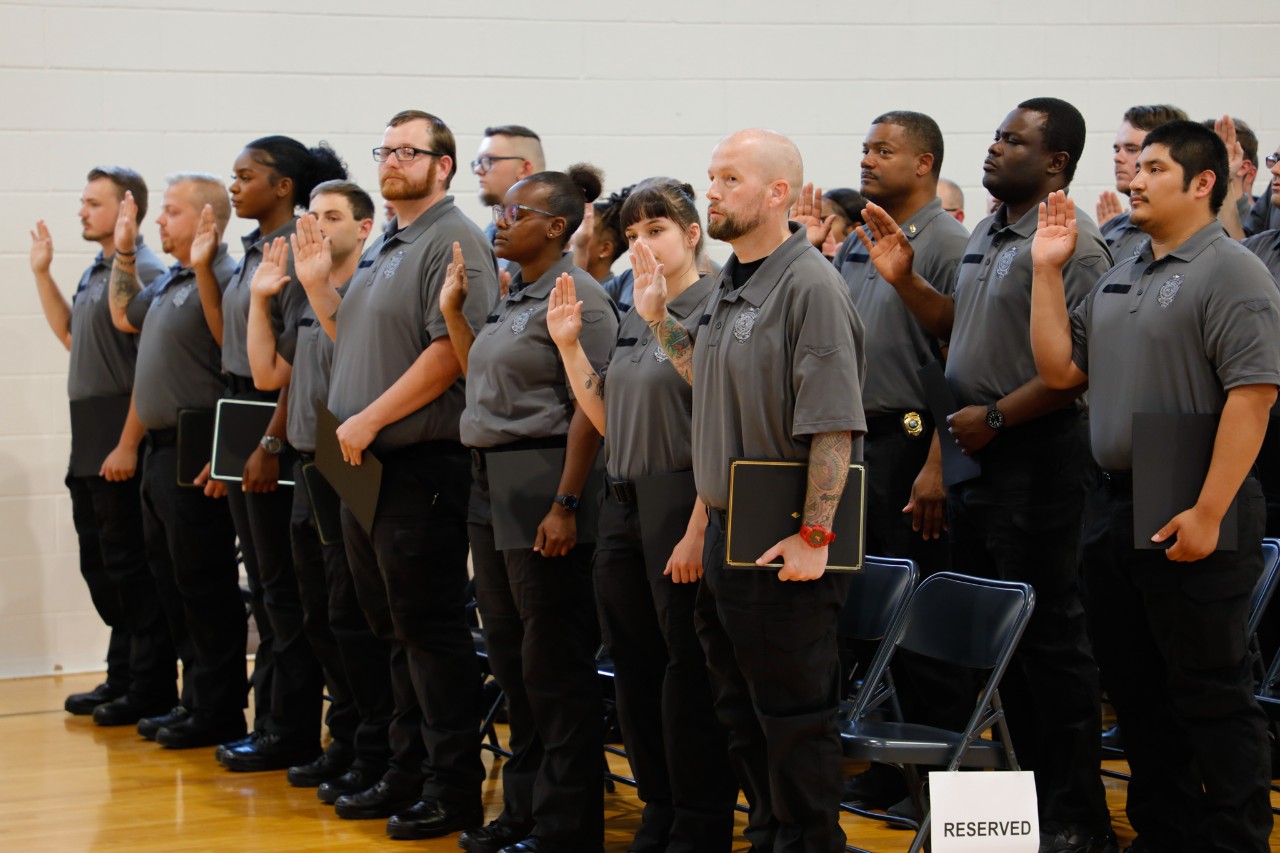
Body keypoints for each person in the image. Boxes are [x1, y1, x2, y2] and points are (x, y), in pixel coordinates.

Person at [855, 98, 1116, 852]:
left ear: (1057, 162)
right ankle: (1000, 827)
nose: (995, 148)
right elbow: (956, 332)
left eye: (1015, 140)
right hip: (978, 455)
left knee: (1046, 648)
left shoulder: (1073, 245)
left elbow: (1073, 371)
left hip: (1037, 458)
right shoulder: (990, 234)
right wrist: (904, 279)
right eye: (997, 136)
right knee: (984, 651)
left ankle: (1075, 820)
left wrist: (997, 416)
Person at [1030, 119, 1279, 853]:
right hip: (1110, 495)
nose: (1134, 179)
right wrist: (1047, 270)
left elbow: (1254, 394)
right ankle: (1166, 832)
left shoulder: (1231, 269)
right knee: (1135, 687)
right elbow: (1058, 372)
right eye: (1135, 167)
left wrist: (1209, 508)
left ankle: (1234, 838)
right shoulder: (1126, 260)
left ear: (1203, 183)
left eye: (1155, 168)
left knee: (1209, 688)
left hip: (1193, 488)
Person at [639, 129, 864, 852]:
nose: (713, 190)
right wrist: (655, 320)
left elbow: (834, 423)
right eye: (712, 177)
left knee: (792, 719)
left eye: (730, 178)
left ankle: (806, 841)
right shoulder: (734, 280)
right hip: (731, 534)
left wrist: (816, 535)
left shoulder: (809, 283)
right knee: (740, 711)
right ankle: (771, 833)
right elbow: (707, 380)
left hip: (783, 534)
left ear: (778, 194)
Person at [318, 109, 496, 841]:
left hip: (417, 458)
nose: (391, 161)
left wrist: (368, 419)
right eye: (384, 150)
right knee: (386, 628)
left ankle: (451, 788)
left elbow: (452, 351)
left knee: (429, 632)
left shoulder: (453, 239)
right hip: (359, 459)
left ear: (443, 165)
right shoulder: (388, 241)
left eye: (408, 151)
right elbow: (359, 340)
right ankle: (405, 767)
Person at [547, 178, 737, 853]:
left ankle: (700, 818)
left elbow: (720, 413)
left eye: (655, 230)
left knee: (687, 673)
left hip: (684, 499)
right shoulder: (634, 304)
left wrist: (697, 527)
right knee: (634, 668)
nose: (641, 246)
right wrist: (570, 348)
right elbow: (608, 416)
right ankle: (658, 806)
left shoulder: (717, 302)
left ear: (691, 235)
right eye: (630, 236)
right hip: (623, 500)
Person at [446, 163, 618, 853]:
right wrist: (453, 314)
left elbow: (592, 406)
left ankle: (566, 829)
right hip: (492, 483)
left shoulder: (585, 300)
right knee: (515, 662)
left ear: (556, 226)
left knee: (553, 666)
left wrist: (566, 501)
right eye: (500, 211)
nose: (499, 220)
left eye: (516, 213)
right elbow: (477, 379)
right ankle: (524, 812)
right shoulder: (516, 295)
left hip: (546, 480)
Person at [829, 110, 969, 812]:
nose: (867, 159)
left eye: (884, 150)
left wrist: (939, 461)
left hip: (916, 444)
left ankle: (945, 791)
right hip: (861, 444)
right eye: (864, 148)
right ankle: (893, 769)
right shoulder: (861, 240)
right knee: (872, 619)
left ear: (924, 163)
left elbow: (959, 363)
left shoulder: (947, 242)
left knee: (923, 626)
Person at [244, 180, 391, 791]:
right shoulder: (309, 291)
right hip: (308, 460)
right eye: (312, 215)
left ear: (364, 228)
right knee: (319, 614)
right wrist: (259, 300)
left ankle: (374, 749)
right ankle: (349, 736)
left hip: (349, 457)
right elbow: (267, 373)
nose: (316, 226)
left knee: (353, 612)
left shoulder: (364, 290)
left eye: (332, 216)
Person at [209, 136, 347, 773]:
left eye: (246, 176)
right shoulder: (253, 250)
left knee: (284, 591)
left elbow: (294, 367)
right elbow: (241, 353)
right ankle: (270, 723)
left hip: (278, 425)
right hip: (242, 409)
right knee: (264, 586)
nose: (233, 186)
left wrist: (266, 442)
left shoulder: (298, 246)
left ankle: (287, 729)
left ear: (283, 185)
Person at [107, 173, 245, 749]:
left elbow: (236, 365)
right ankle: (194, 702)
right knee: (170, 583)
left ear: (205, 219)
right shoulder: (169, 282)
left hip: (198, 451)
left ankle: (219, 710)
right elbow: (122, 316)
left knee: (204, 585)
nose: (158, 222)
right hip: (160, 451)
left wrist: (227, 454)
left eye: (169, 212)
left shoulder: (225, 276)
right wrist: (122, 248)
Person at [29, 166, 172, 723]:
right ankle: (122, 677)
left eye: (93, 203)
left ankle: (150, 686)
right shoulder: (97, 270)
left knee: (131, 569)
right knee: (105, 568)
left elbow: (149, 368)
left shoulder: (144, 272)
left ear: (127, 209)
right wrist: (42, 274)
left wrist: (128, 442)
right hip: (88, 437)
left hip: (119, 436)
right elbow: (73, 338)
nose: (82, 211)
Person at [1095, 104, 1189, 264]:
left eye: (1131, 149)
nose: (1118, 158)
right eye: (1117, 149)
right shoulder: (1111, 228)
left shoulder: (1180, 231)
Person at [571, 187, 630, 303]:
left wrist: (580, 247)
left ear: (605, 249)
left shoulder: (607, 296)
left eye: (584, 232)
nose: (575, 237)